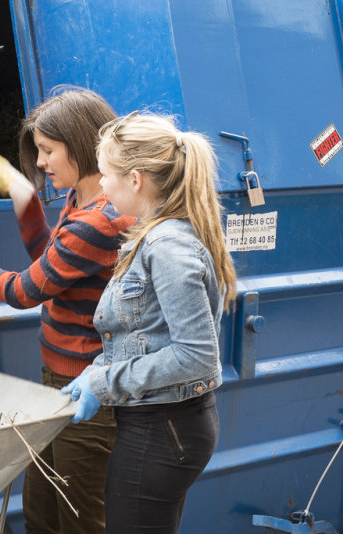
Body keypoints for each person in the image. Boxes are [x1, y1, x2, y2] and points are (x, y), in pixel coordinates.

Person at [0, 88, 136, 533]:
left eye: (48, 151)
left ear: (84, 146)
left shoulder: (100, 220)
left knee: (78, 521)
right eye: (38, 152)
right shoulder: (81, 202)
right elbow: (52, 263)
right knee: (40, 513)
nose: (41, 163)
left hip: (90, 393)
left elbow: (24, 289)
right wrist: (22, 194)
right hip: (58, 381)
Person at [61, 111, 237, 533]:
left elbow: (196, 356)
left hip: (164, 428)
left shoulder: (169, 245)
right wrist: (99, 370)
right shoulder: (155, 233)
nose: (101, 185)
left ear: (135, 179)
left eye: (105, 175)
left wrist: (102, 383)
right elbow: (150, 333)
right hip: (164, 424)